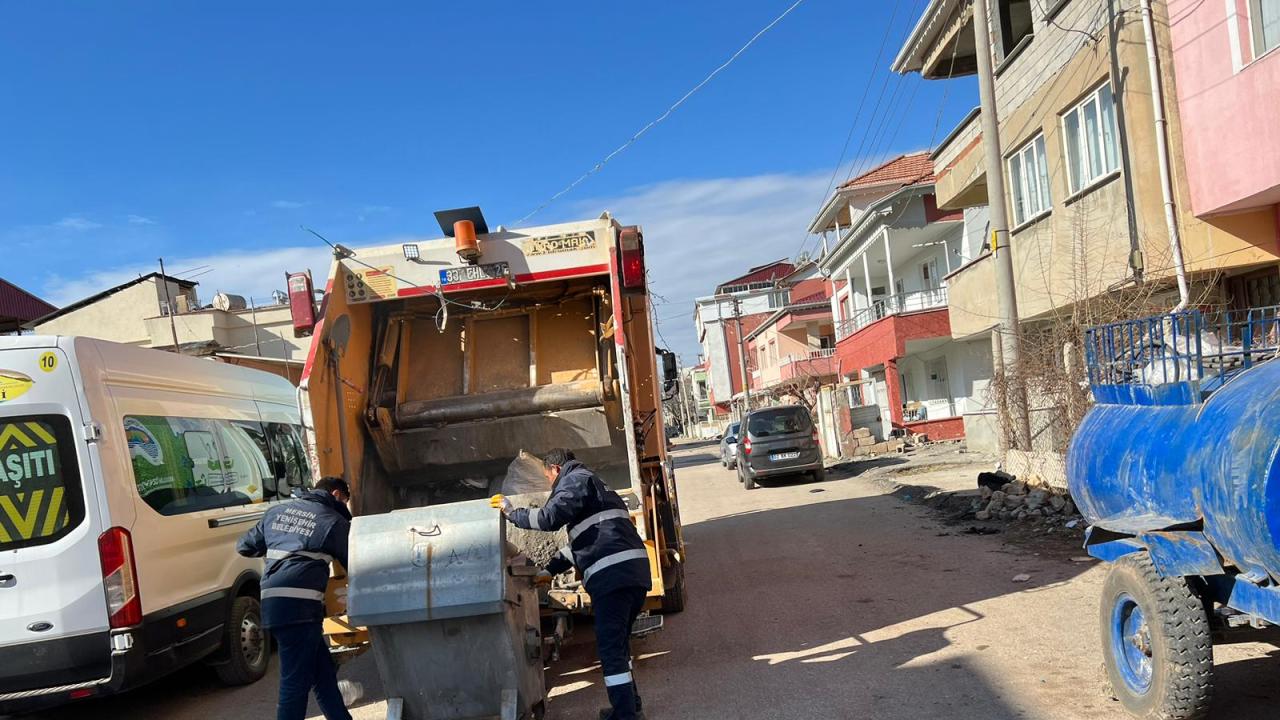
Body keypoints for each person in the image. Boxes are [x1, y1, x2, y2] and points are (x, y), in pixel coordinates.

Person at [491, 449, 652, 720]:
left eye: (548, 478)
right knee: (619, 647)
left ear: (556, 469)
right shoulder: (600, 487)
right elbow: (579, 544)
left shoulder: (575, 479)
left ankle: (625, 716)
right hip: (633, 575)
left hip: (611, 578)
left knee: (611, 651)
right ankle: (630, 706)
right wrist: (548, 570)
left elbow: (548, 519)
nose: (551, 485)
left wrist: (511, 512)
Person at [238, 476, 354, 720]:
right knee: (295, 685)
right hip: (298, 609)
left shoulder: (276, 512)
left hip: (274, 603)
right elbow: (356, 563)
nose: (345, 506)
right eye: (345, 501)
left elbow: (244, 546)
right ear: (335, 495)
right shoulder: (332, 522)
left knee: (323, 677)